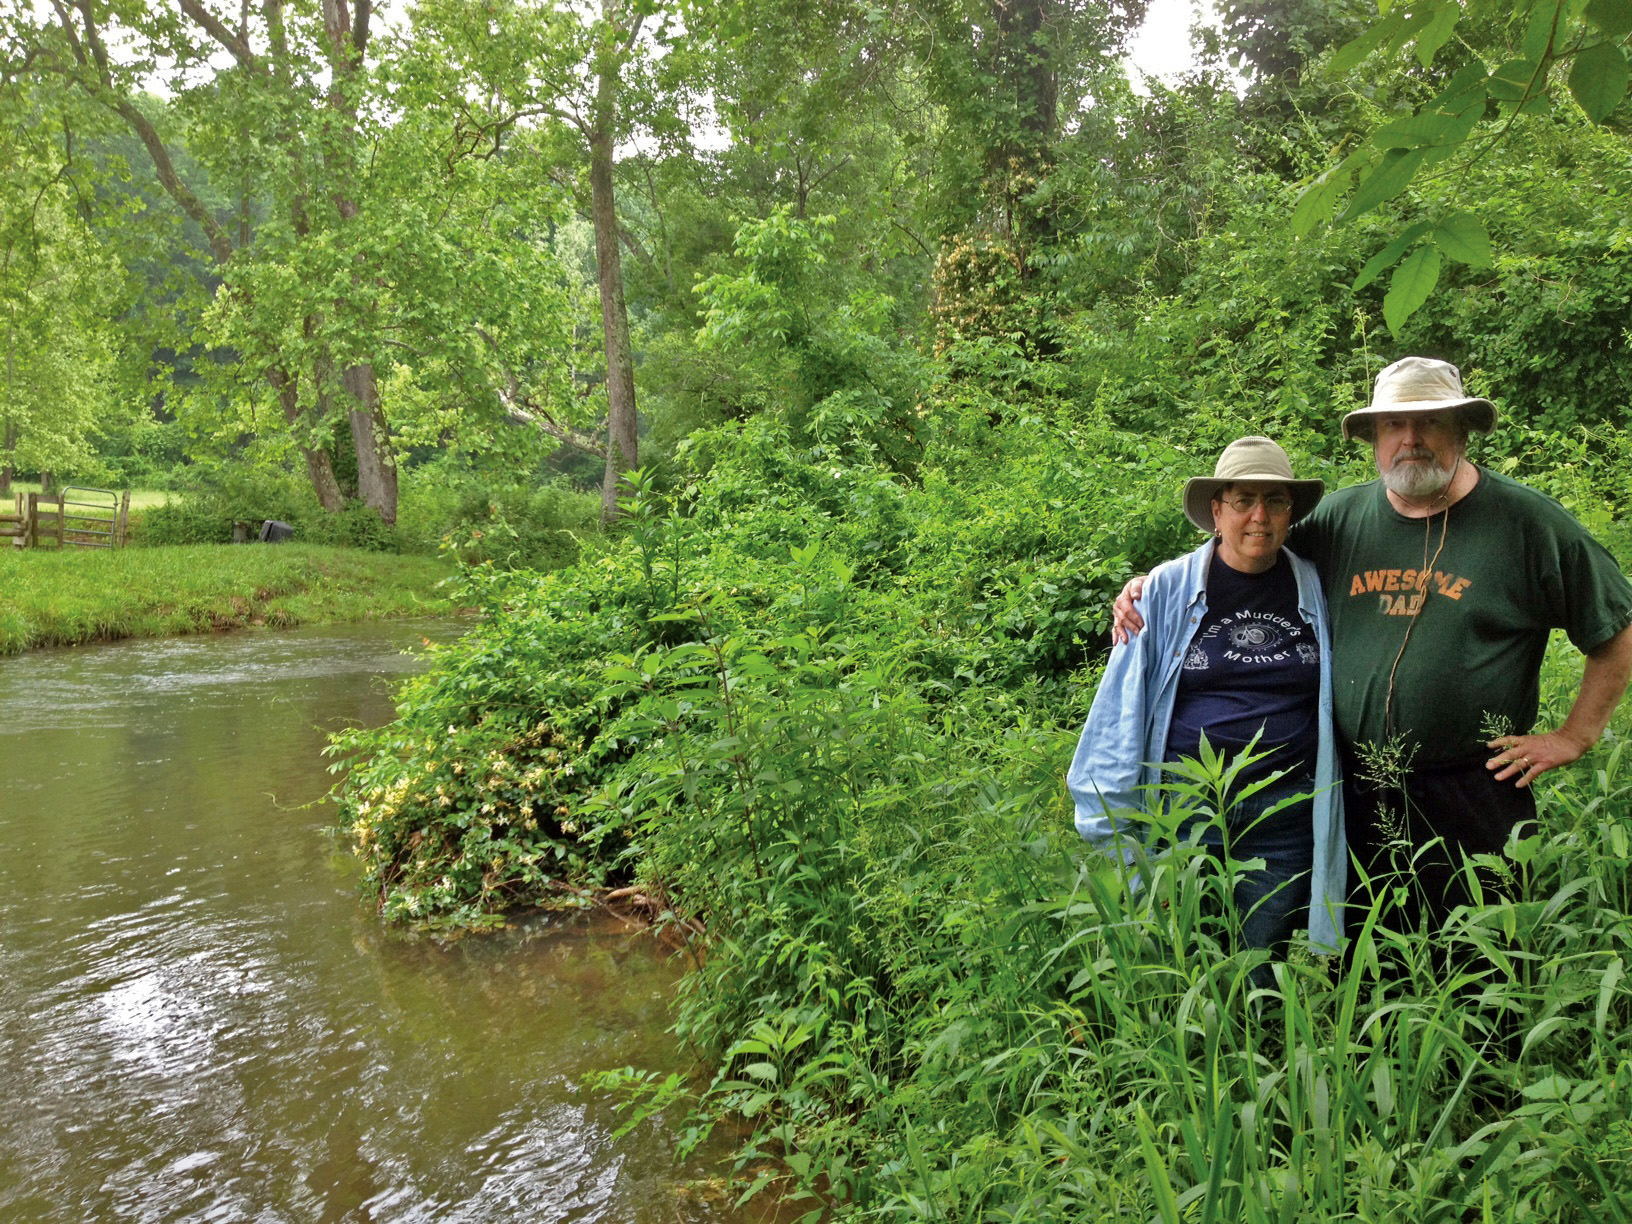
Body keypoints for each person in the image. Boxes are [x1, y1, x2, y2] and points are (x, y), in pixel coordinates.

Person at [1115, 358, 1632, 933]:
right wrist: (1154, 585)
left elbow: (1615, 627)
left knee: (1486, 961)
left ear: (1462, 430)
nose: (1409, 440)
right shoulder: (1342, 518)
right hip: (1356, 791)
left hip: (1474, 791)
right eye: (1392, 426)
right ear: (1374, 439)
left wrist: (1574, 736)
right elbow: (1249, 550)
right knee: (1372, 969)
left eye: (1429, 422)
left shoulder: (1527, 523)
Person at [1069, 436, 1345, 957]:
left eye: (1275, 501)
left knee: (1260, 967)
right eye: (1243, 500)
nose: (1259, 516)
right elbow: (1118, 712)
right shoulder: (1167, 590)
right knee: (1183, 964)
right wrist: (1117, 834)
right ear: (1217, 511)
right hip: (1184, 812)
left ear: (1291, 514)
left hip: (1283, 818)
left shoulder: (1316, 585)